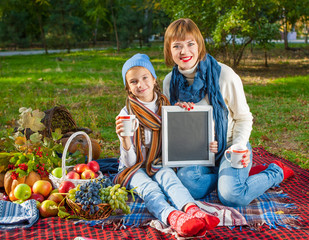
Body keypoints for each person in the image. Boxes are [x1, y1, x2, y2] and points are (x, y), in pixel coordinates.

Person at [163, 18, 294, 207]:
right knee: (187, 183)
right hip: (197, 153)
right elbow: (171, 128)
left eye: (190, 44)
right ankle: (229, 177)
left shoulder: (225, 76)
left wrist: (238, 145)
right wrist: (179, 113)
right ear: (169, 50)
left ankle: (275, 172)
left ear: (199, 45)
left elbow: (244, 118)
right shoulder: (169, 82)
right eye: (177, 46)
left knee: (232, 196)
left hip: (230, 147)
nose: (184, 51)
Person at [113, 53, 220, 237]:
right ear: (128, 88)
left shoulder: (166, 106)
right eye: (133, 81)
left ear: (154, 79)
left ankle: (193, 210)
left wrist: (182, 115)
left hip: (157, 161)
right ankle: (172, 216)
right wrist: (124, 139)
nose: (141, 84)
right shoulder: (126, 113)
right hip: (133, 168)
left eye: (145, 77)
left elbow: (180, 138)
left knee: (170, 179)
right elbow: (130, 163)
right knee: (150, 188)